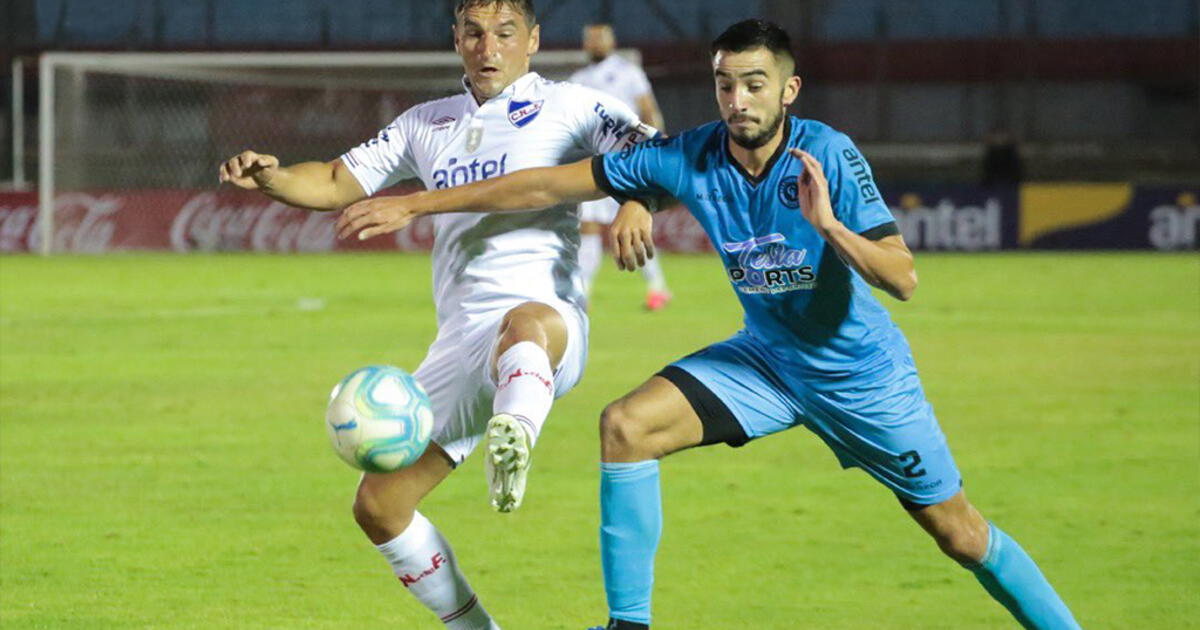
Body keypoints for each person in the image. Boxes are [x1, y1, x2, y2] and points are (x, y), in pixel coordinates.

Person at [334, 18, 1086, 630]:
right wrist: (420, 200)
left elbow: (904, 277)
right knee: (626, 427)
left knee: (958, 532)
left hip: (860, 377)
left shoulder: (826, 153)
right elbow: (545, 182)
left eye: (755, 84)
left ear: (788, 89)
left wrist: (831, 228)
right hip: (764, 363)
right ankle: (629, 626)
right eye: (726, 84)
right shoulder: (692, 154)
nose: (739, 99)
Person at [218, 1, 657, 628]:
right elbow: (337, 180)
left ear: (531, 41)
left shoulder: (572, 105)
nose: (489, 47)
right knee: (379, 505)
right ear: (457, 41)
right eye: (475, 34)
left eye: (505, 34)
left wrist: (637, 202)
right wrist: (273, 176)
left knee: (524, 324)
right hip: (460, 339)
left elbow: (655, 153)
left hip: (547, 321)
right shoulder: (427, 122)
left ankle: (515, 437)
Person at [569, 23, 672, 310]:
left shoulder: (629, 73)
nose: (594, 43)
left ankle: (658, 288)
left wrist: (656, 149)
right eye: (589, 39)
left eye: (599, 38)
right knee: (588, 227)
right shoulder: (579, 79)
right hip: (594, 162)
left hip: (629, 163)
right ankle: (582, 293)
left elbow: (648, 109)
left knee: (633, 229)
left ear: (611, 41)